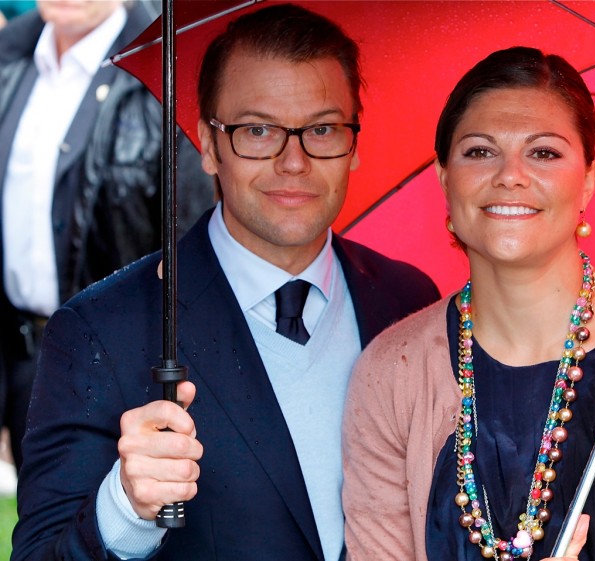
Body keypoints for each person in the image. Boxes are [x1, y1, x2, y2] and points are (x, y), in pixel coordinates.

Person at [11, 4, 440, 561]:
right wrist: (123, 511)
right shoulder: (101, 331)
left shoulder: (410, 301)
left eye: (322, 128)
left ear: (354, 145)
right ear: (208, 146)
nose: (294, 160)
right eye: (257, 130)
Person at [342, 46, 595, 561]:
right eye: (480, 151)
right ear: (445, 181)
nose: (510, 174)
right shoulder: (388, 375)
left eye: (544, 153)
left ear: (589, 182)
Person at [0, 0, 213, 470]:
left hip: (118, 368)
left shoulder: (168, 67)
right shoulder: (11, 55)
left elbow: (195, 239)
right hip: (19, 356)